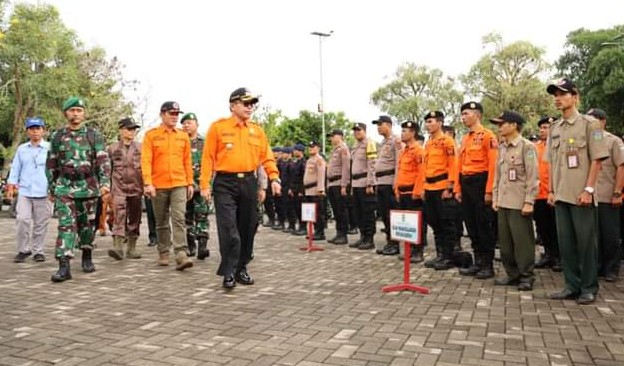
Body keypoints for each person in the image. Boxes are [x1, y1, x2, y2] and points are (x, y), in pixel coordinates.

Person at [200, 87, 281, 289]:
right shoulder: (218, 128)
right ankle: (228, 271)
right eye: (245, 103)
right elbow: (207, 158)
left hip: (248, 182)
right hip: (224, 184)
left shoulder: (257, 130)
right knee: (229, 228)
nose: (249, 107)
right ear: (233, 105)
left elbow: (267, 157)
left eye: (252, 104)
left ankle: (241, 267)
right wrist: (204, 184)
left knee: (248, 227)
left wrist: (274, 178)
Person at [546, 78, 608, 305]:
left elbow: (597, 159)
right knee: (566, 244)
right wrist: (551, 190)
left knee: (586, 243)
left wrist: (589, 189)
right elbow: (552, 162)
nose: (558, 98)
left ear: (575, 96)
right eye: (555, 95)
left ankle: (589, 287)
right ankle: (571, 285)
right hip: (561, 194)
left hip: (582, 195)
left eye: (562, 93)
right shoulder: (554, 128)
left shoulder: (591, 124)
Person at [46, 97, 111, 282]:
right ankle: (64, 266)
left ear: (84, 113)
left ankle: (87, 256)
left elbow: (103, 160)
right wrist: (51, 187)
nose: (76, 113)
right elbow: (51, 162)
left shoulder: (93, 135)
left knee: (87, 226)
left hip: (88, 187)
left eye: (79, 110)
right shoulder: (58, 136)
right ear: (66, 113)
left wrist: (105, 183)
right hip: (65, 187)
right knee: (66, 226)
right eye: (72, 110)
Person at [141, 101, 194, 271]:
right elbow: (146, 160)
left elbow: (187, 161)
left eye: (177, 114)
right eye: (171, 113)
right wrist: (148, 183)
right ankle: (163, 251)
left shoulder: (182, 135)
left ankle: (181, 253)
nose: (175, 116)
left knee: (179, 217)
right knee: (161, 220)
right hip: (158, 184)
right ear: (162, 114)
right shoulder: (151, 135)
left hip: (179, 183)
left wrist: (190, 182)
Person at [490, 111, 539, 291]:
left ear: (513, 125)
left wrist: (529, 201)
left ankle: (527, 275)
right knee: (506, 243)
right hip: (504, 201)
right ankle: (512, 274)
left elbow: (533, 176)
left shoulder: (527, 147)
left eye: (502, 123)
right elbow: (498, 175)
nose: (499, 127)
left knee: (522, 242)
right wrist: (495, 197)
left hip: (519, 202)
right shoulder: (502, 147)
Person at [454, 102, 498, 280]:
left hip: (481, 183)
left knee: (483, 225)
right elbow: (460, 165)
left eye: (466, 114)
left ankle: (487, 265)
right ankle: (478, 262)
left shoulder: (488, 136)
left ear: (477, 115)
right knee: (471, 225)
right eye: (462, 114)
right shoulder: (465, 138)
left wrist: (489, 191)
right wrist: (457, 188)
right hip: (466, 183)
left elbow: (493, 165)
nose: (463, 117)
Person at [7, 117, 52, 263]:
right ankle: (23, 249)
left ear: (43, 131)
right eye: (32, 129)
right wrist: (11, 185)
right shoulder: (22, 149)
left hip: (44, 191)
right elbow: (15, 168)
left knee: (41, 223)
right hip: (25, 190)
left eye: (38, 128)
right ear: (27, 131)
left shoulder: (50, 148)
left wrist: (55, 188)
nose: (35, 131)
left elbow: (55, 169)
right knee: (22, 220)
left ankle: (38, 250)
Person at [587, 108, 624, 282]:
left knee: (610, 234)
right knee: (594, 235)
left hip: (608, 194)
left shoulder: (613, 141)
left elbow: (621, 167)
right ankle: (598, 266)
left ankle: (611, 268)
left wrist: (618, 192)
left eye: (594, 119)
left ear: (603, 121)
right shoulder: (587, 140)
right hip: (590, 195)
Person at [422, 111, 458, 270]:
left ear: (440, 123)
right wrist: (423, 186)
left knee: (446, 224)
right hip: (429, 188)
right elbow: (425, 166)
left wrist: (450, 187)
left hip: (442, 187)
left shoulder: (447, 141)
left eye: (430, 121)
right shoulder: (428, 143)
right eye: (427, 122)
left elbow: (453, 164)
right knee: (434, 223)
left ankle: (448, 257)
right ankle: (440, 254)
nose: (427, 124)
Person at [107, 117, 143, 261]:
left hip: (136, 187)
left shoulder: (141, 148)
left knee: (135, 217)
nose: (132, 132)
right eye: (129, 129)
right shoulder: (112, 148)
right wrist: (107, 188)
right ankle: (118, 247)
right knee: (119, 216)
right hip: (119, 187)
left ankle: (132, 248)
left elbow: (146, 167)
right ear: (121, 130)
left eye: (134, 129)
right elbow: (107, 169)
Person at [394, 121, 425, 262]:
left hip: (413, 192)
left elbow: (421, 172)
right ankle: (408, 249)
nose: (402, 133)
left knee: (417, 223)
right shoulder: (402, 151)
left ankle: (418, 251)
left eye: (405, 131)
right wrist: (396, 189)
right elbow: (399, 172)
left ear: (413, 133)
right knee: (406, 224)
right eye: (402, 131)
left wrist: (417, 191)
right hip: (402, 191)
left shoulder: (418, 150)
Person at [181, 112, 210, 260]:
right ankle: (190, 245)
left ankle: (203, 246)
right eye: (184, 123)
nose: (186, 125)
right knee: (187, 215)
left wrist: (209, 184)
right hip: (184, 186)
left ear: (196, 124)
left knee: (202, 214)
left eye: (189, 123)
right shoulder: (179, 141)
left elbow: (211, 163)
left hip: (202, 185)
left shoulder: (205, 142)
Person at [533, 116, 561, 271]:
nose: (543, 130)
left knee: (556, 228)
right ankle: (548, 255)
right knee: (543, 228)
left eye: (546, 127)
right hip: (539, 194)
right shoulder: (535, 147)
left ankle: (559, 257)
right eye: (541, 128)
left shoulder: (559, 145)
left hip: (554, 193)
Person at [373, 115, 401, 255]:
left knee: (391, 215)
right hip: (381, 183)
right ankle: (389, 242)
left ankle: (395, 244)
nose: (378, 127)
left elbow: (398, 163)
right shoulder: (383, 143)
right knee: (384, 215)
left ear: (389, 125)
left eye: (380, 124)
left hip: (390, 182)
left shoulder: (395, 141)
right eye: (377, 125)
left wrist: (396, 183)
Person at [348, 122, 377, 250]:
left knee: (367, 212)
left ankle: (369, 239)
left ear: (364, 131)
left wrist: (370, 183)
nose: (356, 132)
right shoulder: (355, 146)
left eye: (359, 130)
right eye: (355, 131)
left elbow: (372, 164)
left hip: (365, 182)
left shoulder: (369, 143)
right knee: (358, 212)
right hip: (356, 184)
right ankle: (362, 237)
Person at [326, 129, 351, 245]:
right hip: (332, 184)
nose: (331, 138)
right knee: (336, 211)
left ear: (340, 136)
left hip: (339, 183)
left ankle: (343, 235)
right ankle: (338, 233)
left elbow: (346, 168)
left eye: (332, 136)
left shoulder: (343, 149)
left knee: (341, 210)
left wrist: (344, 185)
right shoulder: (334, 150)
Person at [303, 141, 327, 240]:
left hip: (315, 189)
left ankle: (320, 232)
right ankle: (313, 230)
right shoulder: (309, 160)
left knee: (318, 212)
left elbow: (321, 175)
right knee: (311, 212)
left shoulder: (319, 160)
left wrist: (321, 189)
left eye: (313, 147)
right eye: (310, 147)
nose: (311, 148)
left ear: (318, 148)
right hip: (308, 190)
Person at [288, 144, 307, 236]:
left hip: (300, 190)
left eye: (296, 150)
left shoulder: (303, 163)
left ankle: (303, 227)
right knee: (296, 209)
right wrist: (291, 189)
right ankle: (300, 226)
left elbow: (304, 178)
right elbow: (292, 177)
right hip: (294, 189)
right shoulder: (295, 163)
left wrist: (301, 191)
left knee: (301, 209)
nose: (294, 151)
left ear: (301, 151)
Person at [262, 146, 281, 227]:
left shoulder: (280, 163)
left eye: (275, 152)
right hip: (268, 185)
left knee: (279, 204)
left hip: (276, 185)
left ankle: (278, 220)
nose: (274, 153)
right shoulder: (269, 162)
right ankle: (271, 219)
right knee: (267, 203)